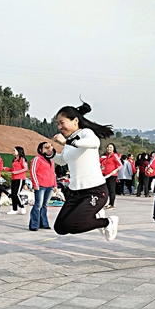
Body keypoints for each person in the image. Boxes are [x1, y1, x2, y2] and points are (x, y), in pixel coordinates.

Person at [51, 102, 119, 240]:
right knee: (60, 228)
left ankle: (108, 222)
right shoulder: (70, 141)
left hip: (94, 190)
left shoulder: (85, 133)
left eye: (62, 122)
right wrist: (50, 154)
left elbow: (95, 143)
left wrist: (66, 142)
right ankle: (98, 217)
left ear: (75, 120)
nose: (60, 127)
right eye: (57, 124)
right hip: (75, 192)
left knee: (74, 225)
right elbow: (63, 160)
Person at [29, 142, 57, 230]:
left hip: (49, 186)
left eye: (49, 148)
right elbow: (33, 172)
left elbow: (53, 173)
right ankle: (34, 224)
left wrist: (55, 185)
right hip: (40, 185)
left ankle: (44, 223)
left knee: (45, 205)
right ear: (40, 149)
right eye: (45, 148)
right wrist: (35, 184)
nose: (47, 149)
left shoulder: (51, 161)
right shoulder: (37, 159)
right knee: (38, 205)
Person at [5, 146, 28, 215]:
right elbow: (13, 170)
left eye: (14, 150)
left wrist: (16, 172)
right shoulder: (14, 160)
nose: (13, 152)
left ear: (19, 152)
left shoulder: (22, 159)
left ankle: (22, 206)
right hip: (14, 178)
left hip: (20, 178)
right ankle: (14, 209)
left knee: (16, 194)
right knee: (13, 194)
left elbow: (25, 169)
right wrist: (7, 169)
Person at [100, 143, 122, 209]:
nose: (109, 148)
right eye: (108, 147)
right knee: (106, 190)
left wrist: (115, 170)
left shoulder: (115, 156)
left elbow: (120, 165)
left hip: (112, 175)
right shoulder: (106, 156)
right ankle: (108, 203)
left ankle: (112, 204)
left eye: (110, 147)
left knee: (111, 190)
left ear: (113, 149)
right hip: (106, 175)